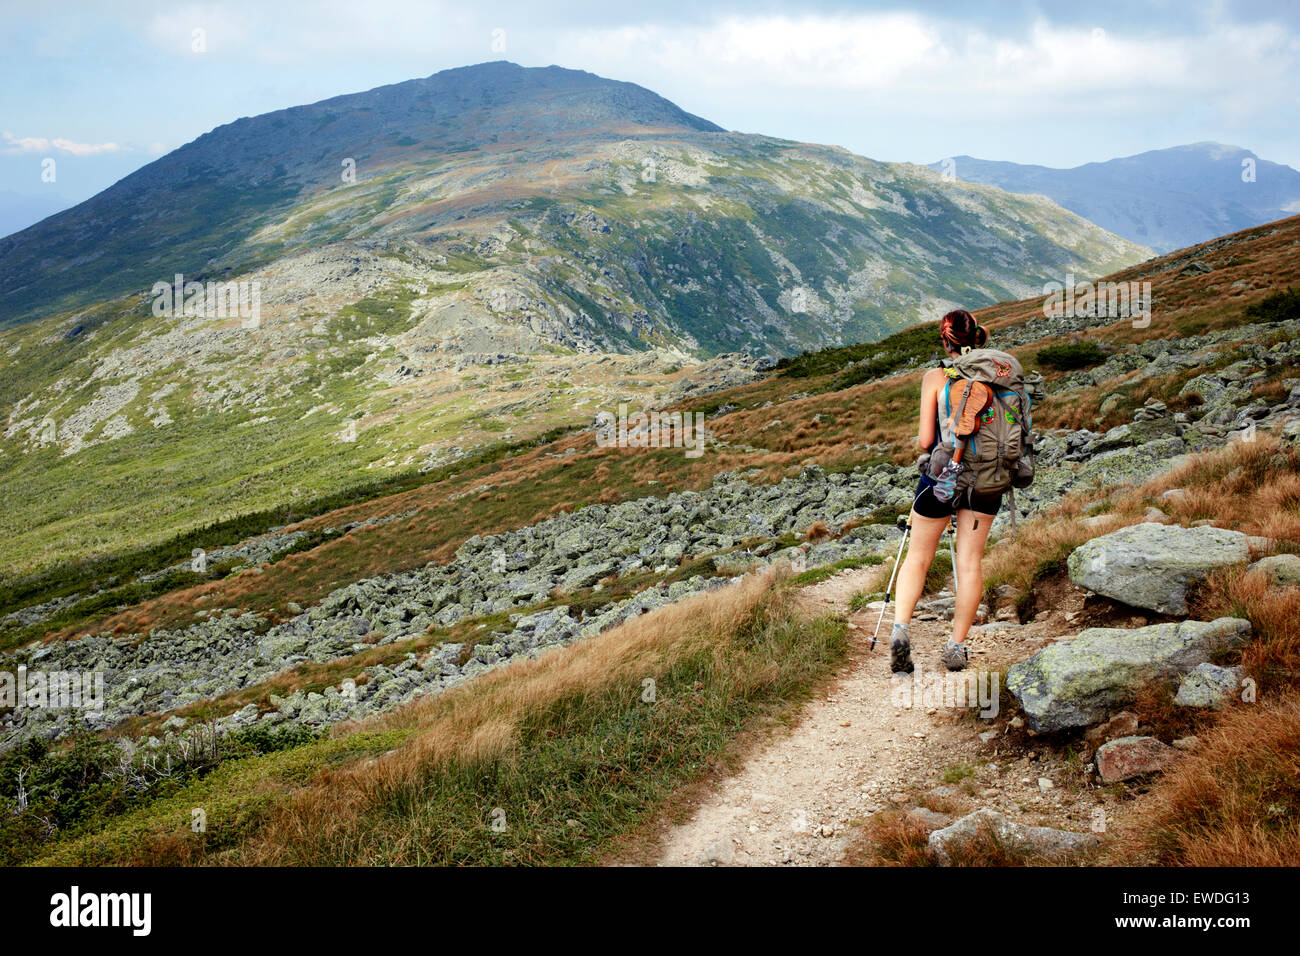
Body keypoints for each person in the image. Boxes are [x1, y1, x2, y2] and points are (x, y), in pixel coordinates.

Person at [889, 309, 998, 674]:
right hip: (985, 480)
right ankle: (955, 647)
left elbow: (924, 440)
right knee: (969, 563)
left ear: (945, 338)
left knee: (918, 555)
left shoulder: (936, 377)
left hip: (941, 477)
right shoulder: (998, 374)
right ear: (977, 336)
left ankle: (901, 630)